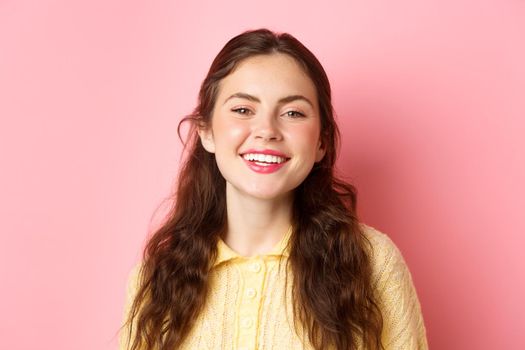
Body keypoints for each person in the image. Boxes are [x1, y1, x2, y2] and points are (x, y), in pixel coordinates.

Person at [119, 28, 428, 350]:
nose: (267, 131)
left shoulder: (371, 261)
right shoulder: (155, 279)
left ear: (321, 141)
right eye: (242, 110)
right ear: (207, 131)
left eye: (293, 113)